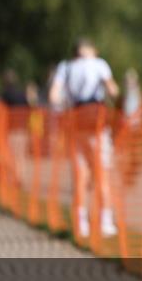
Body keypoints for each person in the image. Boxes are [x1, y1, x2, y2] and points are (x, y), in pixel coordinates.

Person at [49, 38, 120, 238]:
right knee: (101, 175)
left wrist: (66, 106)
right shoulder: (99, 64)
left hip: (75, 123)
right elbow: (113, 90)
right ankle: (105, 222)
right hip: (96, 126)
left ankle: (81, 224)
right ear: (92, 49)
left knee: (80, 176)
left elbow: (54, 96)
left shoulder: (66, 67)